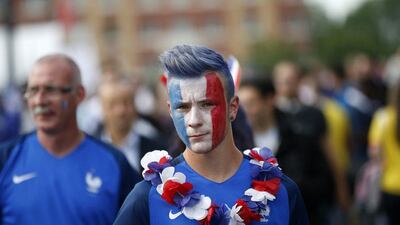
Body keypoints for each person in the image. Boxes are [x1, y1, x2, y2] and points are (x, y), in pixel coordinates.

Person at [113, 44, 308, 225]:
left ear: (233, 108)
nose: (194, 120)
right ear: (170, 112)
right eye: (183, 107)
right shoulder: (147, 198)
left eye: (207, 104)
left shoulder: (281, 192)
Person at [0, 54, 140, 225]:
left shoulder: (115, 163)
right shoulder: (6, 158)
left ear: (79, 94)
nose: (40, 101)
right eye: (33, 90)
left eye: (51, 90)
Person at [95, 74, 166, 172]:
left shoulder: (156, 150)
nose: (120, 111)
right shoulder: (90, 150)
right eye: (112, 104)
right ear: (102, 109)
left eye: (126, 103)